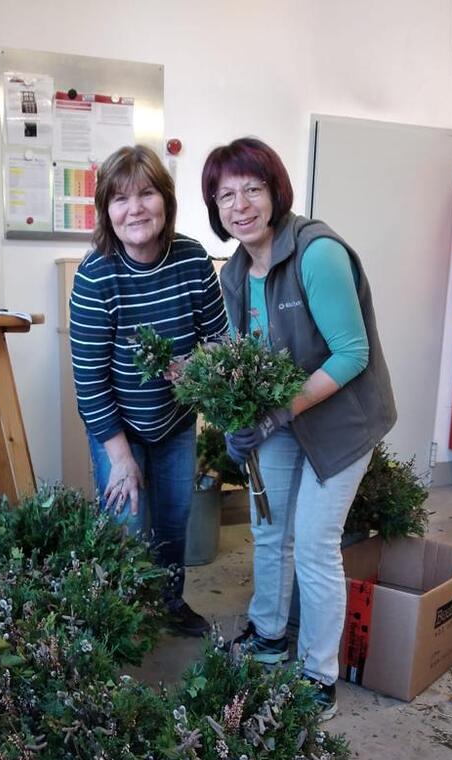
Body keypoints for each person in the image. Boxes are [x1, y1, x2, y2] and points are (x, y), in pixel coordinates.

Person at [201, 136, 396, 719]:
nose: (240, 205)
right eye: (225, 195)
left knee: (313, 544)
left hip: (341, 422)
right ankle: (267, 637)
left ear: (276, 192)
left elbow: (352, 353)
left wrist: (277, 412)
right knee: (269, 530)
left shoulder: (317, 253)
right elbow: (244, 364)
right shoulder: (237, 271)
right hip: (281, 418)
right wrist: (238, 419)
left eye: (252, 189)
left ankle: (318, 674)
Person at [70, 145, 230, 637]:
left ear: (166, 200)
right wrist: (120, 458)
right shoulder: (95, 276)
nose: (135, 209)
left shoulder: (193, 260)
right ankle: (124, 621)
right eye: (120, 199)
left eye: (146, 194)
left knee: (175, 520)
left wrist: (197, 366)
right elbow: (90, 384)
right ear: (106, 211)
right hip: (117, 427)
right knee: (127, 526)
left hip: (175, 422)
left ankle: (170, 604)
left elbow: (220, 340)